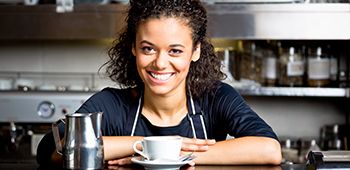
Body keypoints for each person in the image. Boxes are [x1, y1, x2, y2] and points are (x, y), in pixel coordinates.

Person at [37, 0, 281, 166]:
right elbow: (52, 149)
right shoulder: (112, 104)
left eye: (175, 50)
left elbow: (269, 150)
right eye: (148, 49)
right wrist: (142, 145)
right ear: (133, 47)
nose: (160, 63)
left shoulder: (215, 97)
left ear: (195, 51)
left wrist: (172, 153)